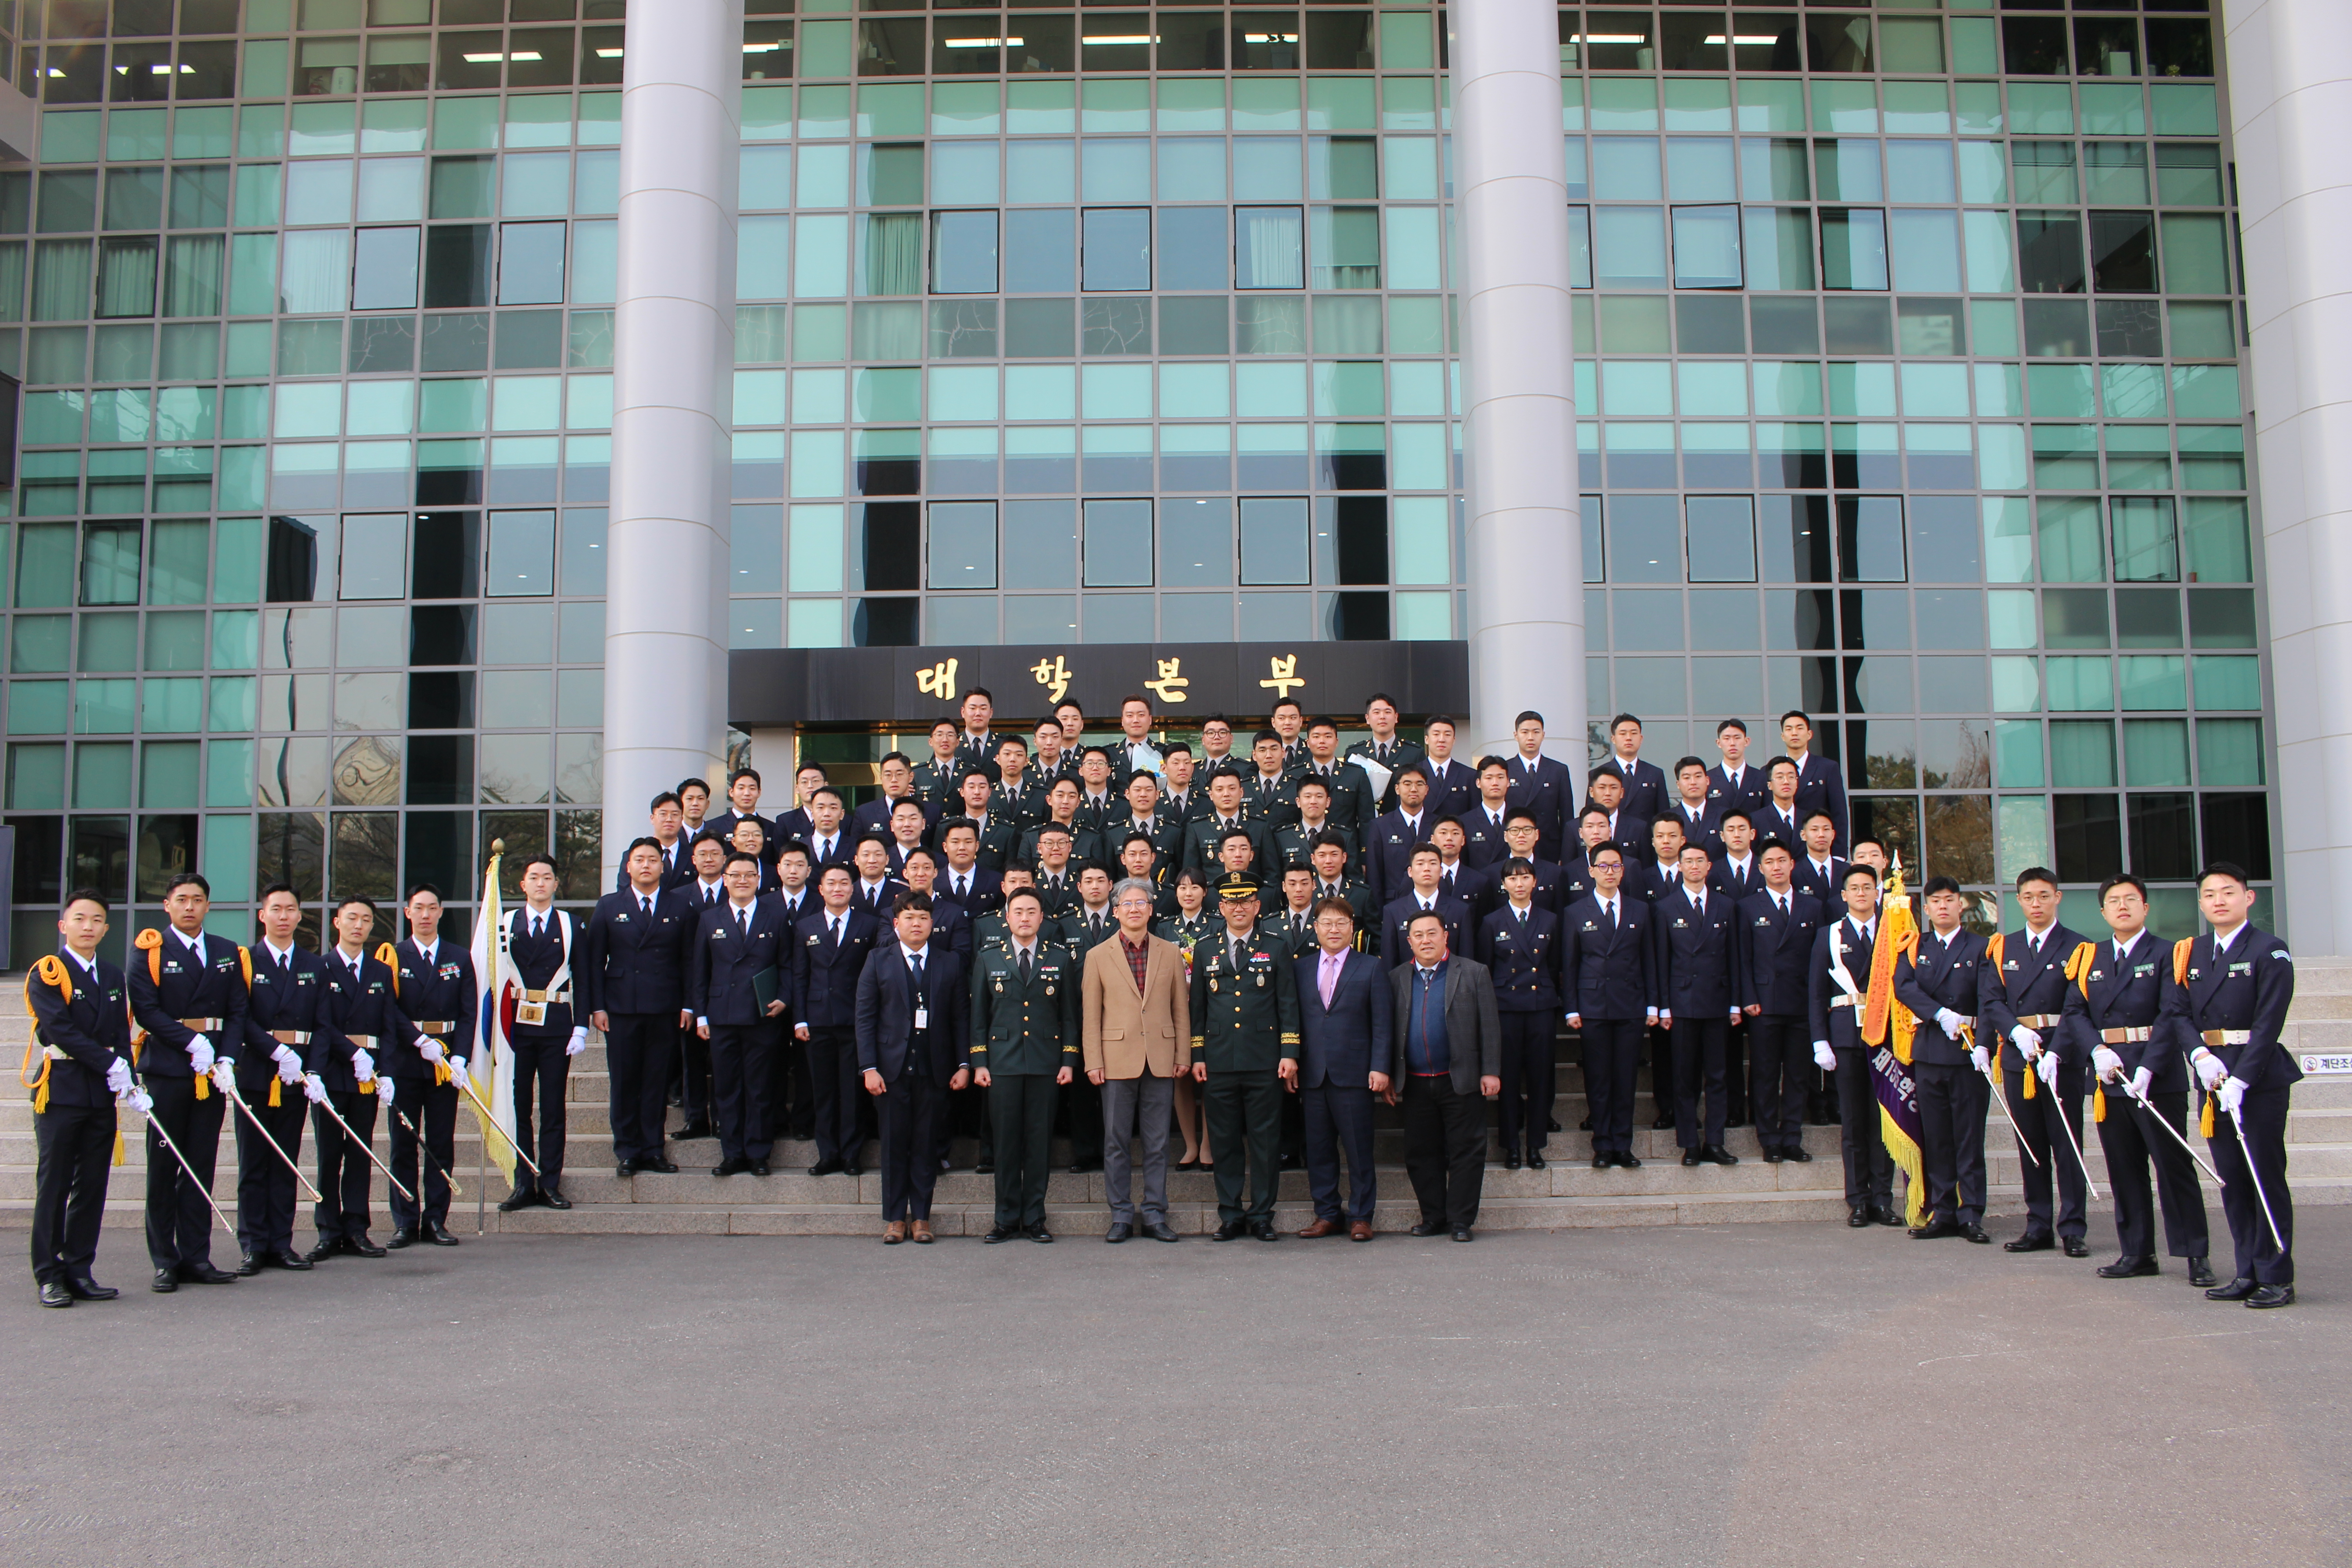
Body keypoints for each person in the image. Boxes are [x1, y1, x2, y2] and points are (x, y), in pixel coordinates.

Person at [2065, 873, 2213, 1287]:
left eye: (2132, 899)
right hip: (2111, 1075)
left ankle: (2194, 1253)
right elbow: (2075, 1012)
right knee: (2124, 1167)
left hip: (2156, 1075)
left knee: (2172, 1167)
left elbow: (2172, 1015)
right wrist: (2096, 1050)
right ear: (2104, 911)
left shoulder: (2169, 954)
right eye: (2114, 901)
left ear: (2146, 908)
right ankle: (2137, 1251)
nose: (2123, 906)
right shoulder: (2089, 957)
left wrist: (2148, 1067)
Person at [2165, 862, 2298, 1308]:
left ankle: (2277, 1274)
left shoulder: (2270, 950)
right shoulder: (2193, 953)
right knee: (2233, 1180)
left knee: (2264, 1177)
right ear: (2201, 903)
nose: (2218, 900)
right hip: (2211, 1076)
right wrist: (2199, 1056)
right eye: (2209, 894)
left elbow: (2269, 1023)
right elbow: (2178, 1012)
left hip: (2256, 1078)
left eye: (2227, 892)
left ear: (2248, 897)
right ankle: (2247, 1270)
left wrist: (2241, 1078)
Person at [126, 871, 249, 1289]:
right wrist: (191, 1042)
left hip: (212, 1072)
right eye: (181, 899)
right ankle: (165, 1259)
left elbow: (237, 1012)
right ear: (167, 905)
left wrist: (228, 1056)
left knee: (201, 1166)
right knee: (164, 1167)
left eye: (197, 899)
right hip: (168, 1069)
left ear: (208, 906)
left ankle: (197, 1255)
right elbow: (146, 1010)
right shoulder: (150, 952)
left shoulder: (227, 951)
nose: (190, 906)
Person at [26, 889, 135, 1308]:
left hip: (99, 1095)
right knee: (54, 1184)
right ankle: (49, 1275)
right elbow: (59, 1031)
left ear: (106, 929)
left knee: (92, 1184)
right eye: (80, 919)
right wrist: (109, 1063)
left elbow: (119, 1032)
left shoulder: (111, 975)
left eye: (96, 921)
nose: (88, 927)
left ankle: (79, 1269)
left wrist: (128, 1074)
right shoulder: (48, 971)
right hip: (62, 1090)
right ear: (63, 925)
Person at [1977, 867, 2093, 1257]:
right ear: (2019, 900)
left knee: (2067, 1143)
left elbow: (2079, 1005)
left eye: (2044, 895)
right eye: (2028, 897)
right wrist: (2014, 1032)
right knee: (2031, 1145)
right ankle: (2039, 1224)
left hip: (2063, 1053)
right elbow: (1992, 1000)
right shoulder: (2002, 947)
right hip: (2019, 1056)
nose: (2036, 903)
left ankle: (2073, 1226)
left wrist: (2057, 1048)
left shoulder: (2079, 946)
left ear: (2057, 897)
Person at [1190, 873, 1301, 1242]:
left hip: (1264, 1060)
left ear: (1258, 906)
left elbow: (1288, 1003)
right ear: (1220, 908)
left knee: (1266, 1142)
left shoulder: (1277, 945)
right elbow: (1198, 1009)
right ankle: (1231, 1214)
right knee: (1224, 1141)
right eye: (1231, 902)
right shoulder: (1205, 948)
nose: (1238, 908)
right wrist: (1198, 1054)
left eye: (1246, 902)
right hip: (1219, 1062)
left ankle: (1262, 1215)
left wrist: (1289, 1053)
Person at [1082, 876, 1191, 1243]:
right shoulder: (1097, 956)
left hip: (1160, 1058)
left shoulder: (1170, 951)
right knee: (1115, 1141)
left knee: (1158, 1142)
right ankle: (1121, 1215)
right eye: (1126, 904)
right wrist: (1093, 1060)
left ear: (1151, 909)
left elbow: (1180, 1009)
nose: (1134, 910)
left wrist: (1182, 1054)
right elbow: (1091, 1015)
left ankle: (1156, 1213)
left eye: (1140, 903)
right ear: (1115, 912)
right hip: (1115, 1060)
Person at [858, 892, 970, 1244]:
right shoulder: (878, 960)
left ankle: (921, 1217)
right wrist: (869, 1067)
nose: (916, 924)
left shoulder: (949, 962)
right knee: (893, 1145)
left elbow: (960, 1018)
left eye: (923, 918)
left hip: (935, 1070)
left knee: (926, 1145)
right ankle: (894, 1218)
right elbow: (865, 1018)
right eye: (909, 918)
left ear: (932, 923)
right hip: (890, 1072)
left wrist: (964, 1063)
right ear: (896, 924)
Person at [968, 888, 1079, 1242]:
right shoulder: (988, 958)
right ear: (1007, 917)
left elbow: (1070, 1016)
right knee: (1005, 1144)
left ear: (1042, 918)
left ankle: (1034, 1218)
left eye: (1032, 912)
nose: (1025, 918)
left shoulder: (1060, 958)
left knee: (1038, 1142)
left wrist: (1069, 1060)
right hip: (1002, 1065)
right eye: (1018, 912)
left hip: (1046, 1064)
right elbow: (979, 1018)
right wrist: (979, 1061)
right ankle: (1004, 1218)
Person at [308, 897, 414, 1262]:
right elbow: (322, 1025)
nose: (359, 925)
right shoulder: (321, 967)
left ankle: (356, 1228)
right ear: (337, 923)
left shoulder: (381, 972)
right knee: (328, 1155)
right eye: (351, 918)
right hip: (333, 1072)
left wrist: (387, 1071)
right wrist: (351, 1056)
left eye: (366, 920)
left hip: (367, 1077)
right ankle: (327, 1230)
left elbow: (388, 1027)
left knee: (360, 1153)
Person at [584, 838, 695, 1180]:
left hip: (664, 1006)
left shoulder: (680, 906)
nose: (646, 865)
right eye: (639, 859)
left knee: (656, 1081)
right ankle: (628, 1150)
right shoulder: (608, 905)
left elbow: (689, 961)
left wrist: (689, 1006)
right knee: (624, 1080)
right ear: (628, 866)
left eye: (652, 859)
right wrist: (597, 1007)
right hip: (621, 1007)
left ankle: (653, 1149)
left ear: (663, 866)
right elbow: (594, 961)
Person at [1388, 911, 1502, 1241]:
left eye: (1432, 933)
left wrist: (1491, 1071)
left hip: (1461, 1078)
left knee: (1467, 1151)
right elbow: (1389, 1030)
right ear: (1409, 941)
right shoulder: (1397, 977)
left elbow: (1490, 1026)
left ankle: (1461, 1221)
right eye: (1418, 935)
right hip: (1415, 1081)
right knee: (1421, 1153)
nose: (1426, 940)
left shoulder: (1473, 972)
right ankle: (1433, 1216)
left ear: (1445, 936)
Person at [1891, 875, 1993, 1244]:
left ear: (1961, 905)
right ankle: (1944, 1211)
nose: (1944, 906)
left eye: (1950, 900)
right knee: (1937, 1138)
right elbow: (1903, 986)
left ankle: (1971, 1214)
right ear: (1927, 908)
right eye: (1936, 901)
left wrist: (1985, 1044)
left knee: (1968, 1137)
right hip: (1931, 1052)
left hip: (1968, 1053)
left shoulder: (1982, 947)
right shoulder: (1915, 945)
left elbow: (1989, 998)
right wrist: (1938, 1013)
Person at [234, 882, 324, 1274]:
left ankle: (281, 1242)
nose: (283, 916)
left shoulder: (314, 965)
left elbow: (323, 1024)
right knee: (253, 1162)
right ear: (262, 915)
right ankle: (254, 1244)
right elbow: (241, 1019)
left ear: (300, 916)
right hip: (257, 1071)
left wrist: (314, 1069)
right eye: (276, 909)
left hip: (296, 1076)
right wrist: (276, 1052)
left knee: (285, 1161)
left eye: (291, 909)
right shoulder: (245, 962)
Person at [381, 882, 476, 1248]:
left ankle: (436, 1218)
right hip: (406, 1058)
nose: (425, 915)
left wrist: (460, 1057)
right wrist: (418, 1041)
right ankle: (405, 1220)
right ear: (407, 913)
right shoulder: (392, 956)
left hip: (444, 1064)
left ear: (441, 912)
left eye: (432, 908)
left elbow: (469, 1013)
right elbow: (388, 1009)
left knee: (440, 1142)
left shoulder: (459, 957)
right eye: (418, 908)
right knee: (403, 1143)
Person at [1810, 865, 1902, 1228]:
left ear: (1878, 893)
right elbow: (1817, 993)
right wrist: (1820, 1040)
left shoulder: (1893, 933)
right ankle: (1858, 1200)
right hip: (1846, 1037)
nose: (1862, 893)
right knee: (1853, 1121)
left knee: (1884, 1121)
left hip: (1886, 1037)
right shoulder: (1829, 935)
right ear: (1843, 896)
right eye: (1854, 888)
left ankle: (1883, 1198)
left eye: (1868, 887)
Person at [691, 853, 792, 1179]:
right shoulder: (709, 918)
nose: (743, 880)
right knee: (727, 1088)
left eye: (750, 875)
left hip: (763, 1015)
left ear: (760, 880)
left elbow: (789, 965)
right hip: (722, 1016)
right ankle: (732, 1154)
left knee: (760, 1088)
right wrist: (702, 1017)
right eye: (736, 875)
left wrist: (784, 998)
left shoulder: (775, 916)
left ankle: (759, 1153)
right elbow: (700, 972)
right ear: (725, 879)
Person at [1294, 897, 1390, 1240]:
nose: (1333, 930)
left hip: (1355, 1072)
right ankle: (1327, 1213)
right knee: (1319, 1149)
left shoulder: (1371, 967)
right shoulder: (1301, 968)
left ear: (1353, 928)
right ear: (1315, 928)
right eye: (1327, 924)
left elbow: (1382, 1023)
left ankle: (1362, 1215)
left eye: (1341, 923)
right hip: (1313, 1072)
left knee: (1359, 1149)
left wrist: (1381, 1066)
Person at [495, 855, 583, 1212]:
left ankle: (550, 1182)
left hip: (556, 1025)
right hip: (515, 1026)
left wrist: (581, 1026)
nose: (541, 883)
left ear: (556, 884)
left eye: (548, 877)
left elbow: (586, 973)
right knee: (518, 1107)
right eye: (534, 877)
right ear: (523, 884)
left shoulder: (571, 924)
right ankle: (521, 1180)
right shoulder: (503, 924)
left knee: (552, 1107)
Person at [1559, 844, 1654, 1170]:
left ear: (1623, 871)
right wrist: (1571, 1008)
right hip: (1593, 1006)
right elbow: (1570, 964)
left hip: (1630, 1004)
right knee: (1598, 1079)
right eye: (1603, 866)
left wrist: (1653, 1005)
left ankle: (1623, 1145)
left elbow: (1649, 961)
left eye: (1616, 866)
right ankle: (1602, 1144)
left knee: (1626, 1079)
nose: (1610, 872)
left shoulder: (1640, 910)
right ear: (1591, 871)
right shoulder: (1576, 912)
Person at [792, 862, 885, 1176]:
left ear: (852, 888)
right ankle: (827, 1153)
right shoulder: (806, 926)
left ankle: (851, 1154)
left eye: (844, 883)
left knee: (852, 1092)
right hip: (818, 1020)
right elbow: (800, 976)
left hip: (854, 1020)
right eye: (831, 883)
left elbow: (874, 977)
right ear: (821, 889)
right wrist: (800, 1019)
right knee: (824, 1090)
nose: (837, 889)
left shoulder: (869, 924)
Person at [1656, 842, 1742, 1168]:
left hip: (1718, 1002)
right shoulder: (1666, 907)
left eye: (1700, 861)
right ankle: (1690, 1142)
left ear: (1709, 867)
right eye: (1688, 861)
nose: (1694, 866)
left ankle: (1716, 1141)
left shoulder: (1726, 905)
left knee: (1718, 1076)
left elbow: (1734, 958)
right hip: (1681, 1003)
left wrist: (1736, 1003)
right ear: (1679, 867)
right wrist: (1663, 1007)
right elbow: (1662, 961)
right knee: (1684, 1076)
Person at [1738, 842, 1823, 1164]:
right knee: (1765, 1073)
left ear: (1792, 866)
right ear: (1760, 868)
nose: (1776, 867)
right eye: (1769, 862)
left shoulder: (1812, 907)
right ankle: (1768, 1138)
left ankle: (1792, 1137)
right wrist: (1748, 997)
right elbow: (1743, 958)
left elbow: (1820, 959)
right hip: (1764, 1003)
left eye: (1782, 861)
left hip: (1801, 1002)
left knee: (1799, 1074)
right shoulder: (1747, 907)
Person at [1479, 858, 1563, 1171]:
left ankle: (1535, 1145)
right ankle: (1511, 1145)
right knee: (1509, 1078)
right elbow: (1486, 967)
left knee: (1540, 1078)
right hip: (1506, 1007)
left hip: (1540, 1005)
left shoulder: (1550, 919)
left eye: (1525, 877)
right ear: (1504, 885)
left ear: (1535, 882)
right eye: (1512, 879)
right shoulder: (1492, 921)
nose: (1519, 884)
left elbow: (1554, 966)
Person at [1154, 868, 1219, 1171]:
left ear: (1205, 892)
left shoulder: (1217, 925)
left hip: (1210, 1008)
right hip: (1173, 1010)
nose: (1188, 893)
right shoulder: (1165, 928)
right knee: (1179, 1076)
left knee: (1207, 1078)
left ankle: (1207, 1145)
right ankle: (1190, 1145)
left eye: (1195, 887)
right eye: (1182, 888)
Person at [671, 832, 730, 1141]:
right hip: (689, 990)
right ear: (693, 860)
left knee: (721, 1060)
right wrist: (687, 1000)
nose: (709, 859)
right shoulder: (678, 897)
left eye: (715, 854)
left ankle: (722, 1117)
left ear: (724, 859)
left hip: (726, 991)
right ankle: (696, 1118)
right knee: (691, 1058)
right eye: (703, 854)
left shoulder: (738, 891)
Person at [1503, 710, 1578, 859]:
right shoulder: (1504, 769)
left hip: (1549, 847)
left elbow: (1566, 816)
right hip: (1513, 845)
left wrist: (1567, 855)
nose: (1531, 737)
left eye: (1536, 732)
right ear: (1516, 735)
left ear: (1543, 735)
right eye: (1525, 732)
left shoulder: (1559, 770)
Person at [1779, 710, 1849, 854]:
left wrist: (1839, 854)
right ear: (1783, 737)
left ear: (1810, 734)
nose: (1794, 733)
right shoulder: (1770, 770)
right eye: (1789, 729)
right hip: (1780, 853)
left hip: (1817, 852)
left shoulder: (1828, 768)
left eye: (1800, 728)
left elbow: (1839, 813)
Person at [1295, 718, 1377, 833]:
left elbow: (1366, 820)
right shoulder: (1294, 775)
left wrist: (1365, 850)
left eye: (1328, 736)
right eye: (1316, 737)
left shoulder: (1356, 774)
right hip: (1307, 845)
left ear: (1337, 741)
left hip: (1345, 846)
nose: (1322, 741)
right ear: (1308, 743)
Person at [613, 790, 695, 891]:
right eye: (663, 814)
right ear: (652, 819)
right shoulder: (632, 855)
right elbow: (624, 891)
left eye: (674, 815)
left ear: (682, 819)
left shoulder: (693, 854)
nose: (669, 819)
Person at [1599, 712, 1668, 822]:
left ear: (1641, 738)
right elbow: (1592, 814)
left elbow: (1664, 815)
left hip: (1645, 837)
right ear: (1613, 739)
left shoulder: (1655, 773)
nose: (1629, 738)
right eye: (1623, 734)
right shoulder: (1599, 774)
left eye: (1634, 733)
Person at [1708, 718, 1771, 816]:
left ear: (1747, 741)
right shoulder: (1708, 779)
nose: (1732, 743)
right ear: (1719, 743)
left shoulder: (1761, 777)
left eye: (1737, 738)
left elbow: (1767, 814)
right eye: (1727, 738)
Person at [706, 766, 773, 846]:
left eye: (752, 788)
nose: (747, 793)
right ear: (731, 792)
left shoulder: (771, 828)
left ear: (759, 792)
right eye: (741, 788)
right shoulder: (713, 827)